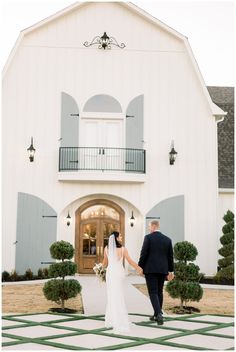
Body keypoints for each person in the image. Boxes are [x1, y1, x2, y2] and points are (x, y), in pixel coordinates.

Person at [102, 231, 142, 333]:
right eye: (120, 236)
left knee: (111, 295)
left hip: (110, 273)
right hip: (118, 274)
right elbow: (130, 261)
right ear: (116, 238)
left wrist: (99, 270)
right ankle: (117, 318)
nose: (121, 237)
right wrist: (139, 268)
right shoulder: (123, 249)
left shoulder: (106, 249)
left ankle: (112, 319)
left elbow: (104, 263)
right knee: (118, 294)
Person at [138, 220, 174, 325]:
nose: (149, 228)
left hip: (151, 269)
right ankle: (156, 314)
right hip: (163, 270)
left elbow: (143, 253)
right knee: (159, 292)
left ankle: (159, 314)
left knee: (153, 292)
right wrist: (171, 270)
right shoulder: (168, 240)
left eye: (149, 226)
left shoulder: (148, 238)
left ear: (154, 226)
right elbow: (170, 257)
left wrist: (140, 267)